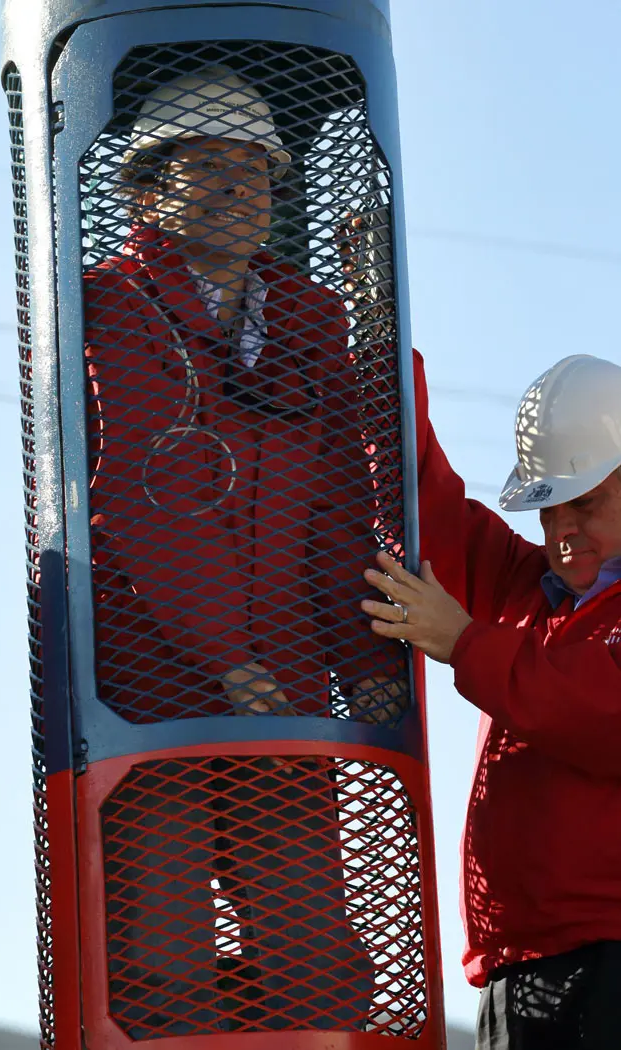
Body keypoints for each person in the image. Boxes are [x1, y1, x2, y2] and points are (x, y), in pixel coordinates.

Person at [84, 65, 403, 1036]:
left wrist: (365, 664)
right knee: (160, 954)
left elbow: (338, 507)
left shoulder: (309, 321)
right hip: (151, 696)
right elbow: (144, 500)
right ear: (146, 191)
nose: (240, 190)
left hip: (288, 692)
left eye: (258, 171)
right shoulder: (114, 307)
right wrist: (226, 655)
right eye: (208, 168)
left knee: (315, 958)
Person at [363, 350, 621, 1049]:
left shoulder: (512, 612)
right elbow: (426, 500)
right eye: (548, 507)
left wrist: (467, 644)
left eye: (586, 503)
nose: (563, 531)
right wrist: (387, 350)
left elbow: (603, 714)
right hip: (518, 965)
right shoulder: (524, 588)